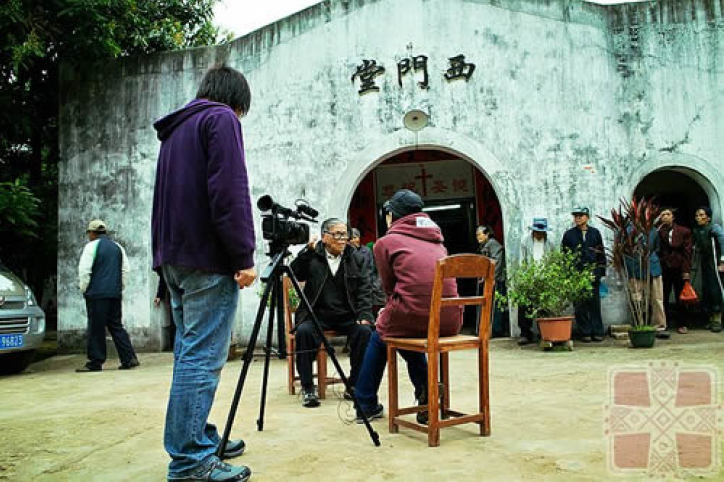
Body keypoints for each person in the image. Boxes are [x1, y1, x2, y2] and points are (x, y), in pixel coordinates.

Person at [152, 64, 256, 482]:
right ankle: (191, 460)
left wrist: (162, 269)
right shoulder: (221, 118)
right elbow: (229, 190)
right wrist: (243, 255)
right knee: (202, 359)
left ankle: (198, 435)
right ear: (234, 99)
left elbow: (163, 203)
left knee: (188, 354)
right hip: (207, 260)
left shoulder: (176, 132)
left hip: (175, 258)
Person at [355, 189, 463, 423]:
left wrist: (386, 311)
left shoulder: (386, 242)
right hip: (450, 320)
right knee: (403, 330)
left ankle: (365, 403)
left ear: (392, 216)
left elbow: (389, 287)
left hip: (414, 314)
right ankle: (427, 394)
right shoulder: (439, 242)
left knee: (381, 333)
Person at [290, 218, 373, 408]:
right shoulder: (312, 255)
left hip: (347, 315)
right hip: (316, 314)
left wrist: (364, 315)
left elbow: (364, 289)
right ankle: (308, 387)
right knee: (303, 332)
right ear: (325, 237)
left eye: (345, 234)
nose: (343, 239)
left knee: (365, 332)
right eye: (337, 234)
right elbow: (295, 273)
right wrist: (305, 252)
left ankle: (353, 384)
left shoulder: (356, 257)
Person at [77, 219, 139, 372]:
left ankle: (95, 362)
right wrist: (119, 288)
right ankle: (129, 358)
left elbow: (85, 270)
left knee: (96, 327)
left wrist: (84, 289)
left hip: (97, 293)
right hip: (114, 293)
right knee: (116, 325)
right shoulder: (118, 247)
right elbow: (125, 271)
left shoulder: (91, 247)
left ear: (92, 233)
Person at [561, 207, 606, 342]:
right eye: (576, 216)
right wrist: (569, 274)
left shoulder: (595, 233)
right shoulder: (569, 235)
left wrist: (599, 272)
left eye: (581, 216)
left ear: (587, 217)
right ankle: (585, 332)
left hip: (592, 274)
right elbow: (565, 255)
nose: (578, 218)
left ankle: (597, 331)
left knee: (594, 304)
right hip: (576, 275)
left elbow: (601, 254)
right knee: (579, 305)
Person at [624, 226, 667, 337]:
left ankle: (659, 326)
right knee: (637, 298)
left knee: (657, 298)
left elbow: (658, 248)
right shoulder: (626, 230)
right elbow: (623, 251)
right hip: (635, 268)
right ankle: (640, 325)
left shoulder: (653, 230)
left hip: (653, 267)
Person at [517, 217, 553, 345]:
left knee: (545, 308)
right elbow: (522, 261)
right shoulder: (525, 242)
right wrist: (524, 278)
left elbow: (554, 260)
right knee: (525, 306)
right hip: (529, 278)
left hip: (545, 278)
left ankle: (544, 333)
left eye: (541, 232)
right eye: (537, 231)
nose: (539, 234)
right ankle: (525, 333)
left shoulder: (550, 242)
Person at [657, 207, 693, 334]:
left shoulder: (684, 231)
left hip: (679, 266)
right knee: (663, 296)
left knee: (681, 296)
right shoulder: (659, 232)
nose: (665, 217)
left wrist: (686, 270)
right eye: (663, 215)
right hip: (664, 267)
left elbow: (688, 252)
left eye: (668, 214)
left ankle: (682, 323)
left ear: (673, 217)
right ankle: (664, 323)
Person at [692, 207, 724, 333]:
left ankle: (717, 319)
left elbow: (722, 241)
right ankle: (710, 317)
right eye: (696, 215)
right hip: (705, 262)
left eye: (701, 215)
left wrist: (722, 261)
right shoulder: (697, 231)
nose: (698, 218)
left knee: (715, 288)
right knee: (707, 288)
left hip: (715, 261)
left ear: (708, 217)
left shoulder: (714, 228)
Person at [476, 225, 507, 337]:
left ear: (487, 234)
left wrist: (492, 278)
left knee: (496, 306)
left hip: (497, 280)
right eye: (477, 235)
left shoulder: (492, 244)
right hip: (490, 279)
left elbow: (497, 261)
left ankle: (496, 330)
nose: (478, 237)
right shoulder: (484, 245)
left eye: (480, 234)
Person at [349, 228, 386, 314]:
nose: (352, 240)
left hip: (369, 285)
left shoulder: (366, 251)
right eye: (350, 238)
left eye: (354, 237)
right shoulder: (348, 252)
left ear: (359, 238)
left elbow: (371, 268)